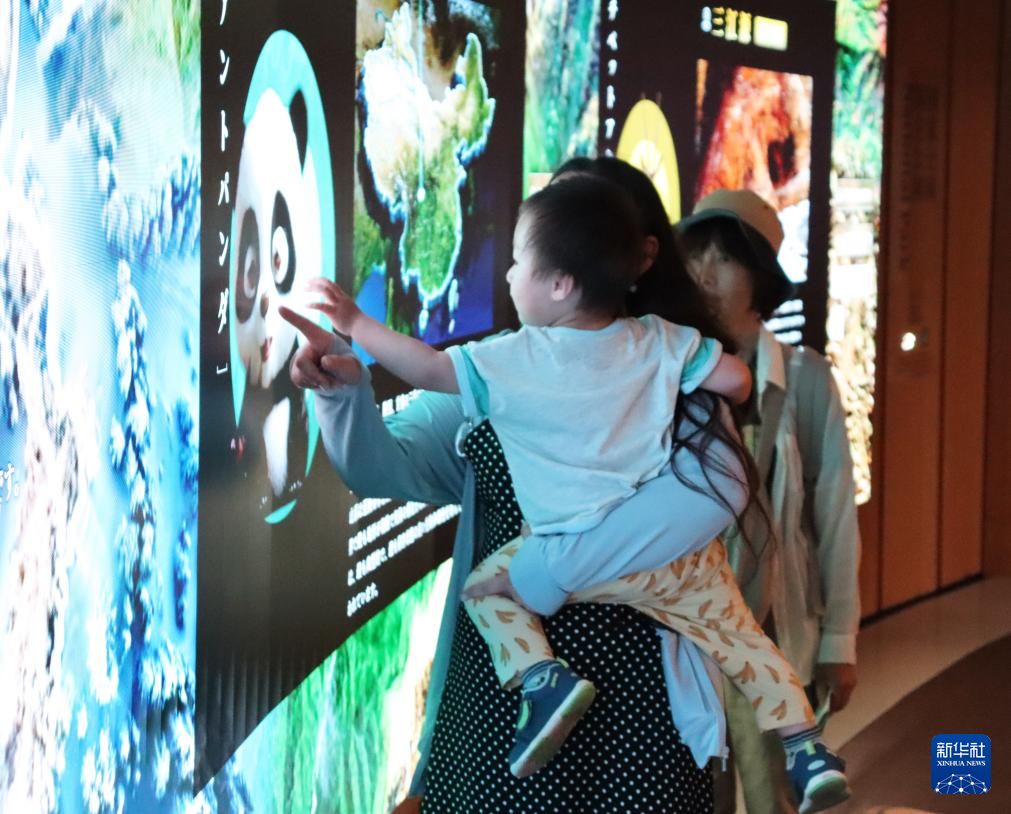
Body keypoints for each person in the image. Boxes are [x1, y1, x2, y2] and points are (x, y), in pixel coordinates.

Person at [298, 175, 839, 789]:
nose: (510, 275)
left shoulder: (516, 367)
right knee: (744, 641)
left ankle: (543, 679)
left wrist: (356, 322)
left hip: (639, 720)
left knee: (489, 590)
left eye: (522, 257)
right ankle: (805, 747)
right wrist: (341, 391)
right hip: (502, 718)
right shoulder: (657, 354)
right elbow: (381, 465)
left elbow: (717, 492)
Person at [678, 188, 862, 814]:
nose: (705, 274)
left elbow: (833, 514)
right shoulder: (671, 370)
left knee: (772, 798)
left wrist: (838, 640)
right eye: (696, 255)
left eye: (726, 259)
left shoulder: (804, 380)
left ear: (758, 277)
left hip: (776, 634)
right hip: (691, 636)